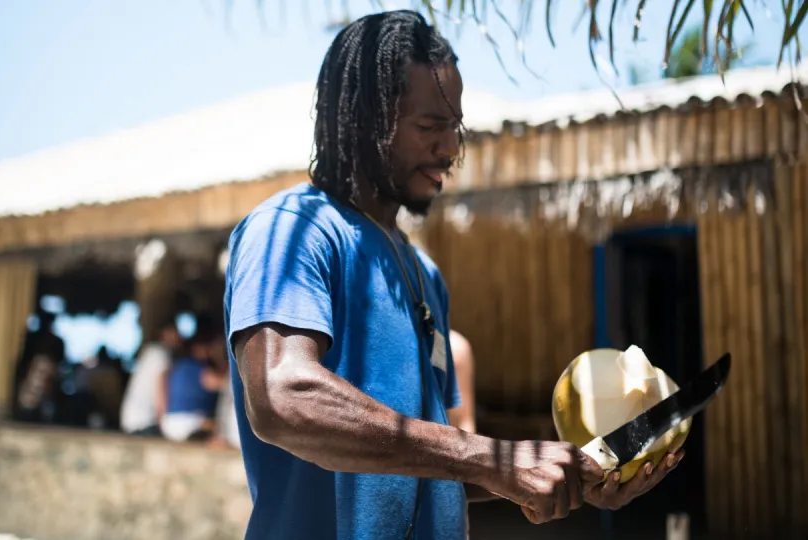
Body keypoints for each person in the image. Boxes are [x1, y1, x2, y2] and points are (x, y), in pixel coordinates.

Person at [224, 10, 683, 540]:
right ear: (362, 121)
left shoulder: (422, 273)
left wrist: (555, 475)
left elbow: (433, 460)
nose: (450, 149)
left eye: (454, 127)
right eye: (430, 127)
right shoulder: (292, 231)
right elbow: (283, 400)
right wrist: (489, 457)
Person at [160, 316, 226, 442]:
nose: (209, 351)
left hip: (171, 422)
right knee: (223, 429)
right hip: (188, 422)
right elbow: (220, 384)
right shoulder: (195, 367)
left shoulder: (179, 366)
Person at [120, 320, 182, 436]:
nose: (178, 336)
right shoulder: (161, 353)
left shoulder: (150, 351)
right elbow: (161, 388)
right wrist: (163, 419)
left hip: (132, 419)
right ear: (164, 334)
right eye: (175, 332)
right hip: (145, 420)